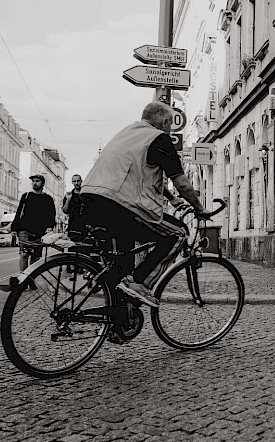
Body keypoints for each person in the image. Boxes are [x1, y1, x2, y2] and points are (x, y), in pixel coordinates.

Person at [77, 102, 211, 307]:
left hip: (90, 202)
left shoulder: (128, 134)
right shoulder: (158, 138)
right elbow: (182, 182)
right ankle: (141, 285)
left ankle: (118, 318)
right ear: (165, 122)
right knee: (178, 234)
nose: (169, 130)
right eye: (170, 126)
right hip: (119, 205)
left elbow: (137, 172)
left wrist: (172, 199)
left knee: (122, 266)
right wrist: (200, 209)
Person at [0, 174, 56, 291]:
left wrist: (50, 227)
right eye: (33, 181)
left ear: (43, 184)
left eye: (37, 181)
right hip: (24, 230)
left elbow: (51, 215)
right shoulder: (26, 196)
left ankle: (31, 280)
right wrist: (14, 228)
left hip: (40, 232)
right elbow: (19, 212)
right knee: (24, 255)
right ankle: (23, 280)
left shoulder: (48, 199)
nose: (35, 183)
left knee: (35, 258)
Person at [61, 173, 85, 239]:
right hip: (72, 226)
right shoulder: (69, 195)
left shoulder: (85, 194)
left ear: (81, 181)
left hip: (85, 227)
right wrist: (68, 199)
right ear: (72, 182)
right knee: (72, 247)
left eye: (78, 181)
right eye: (74, 181)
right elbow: (65, 211)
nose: (76, 183)